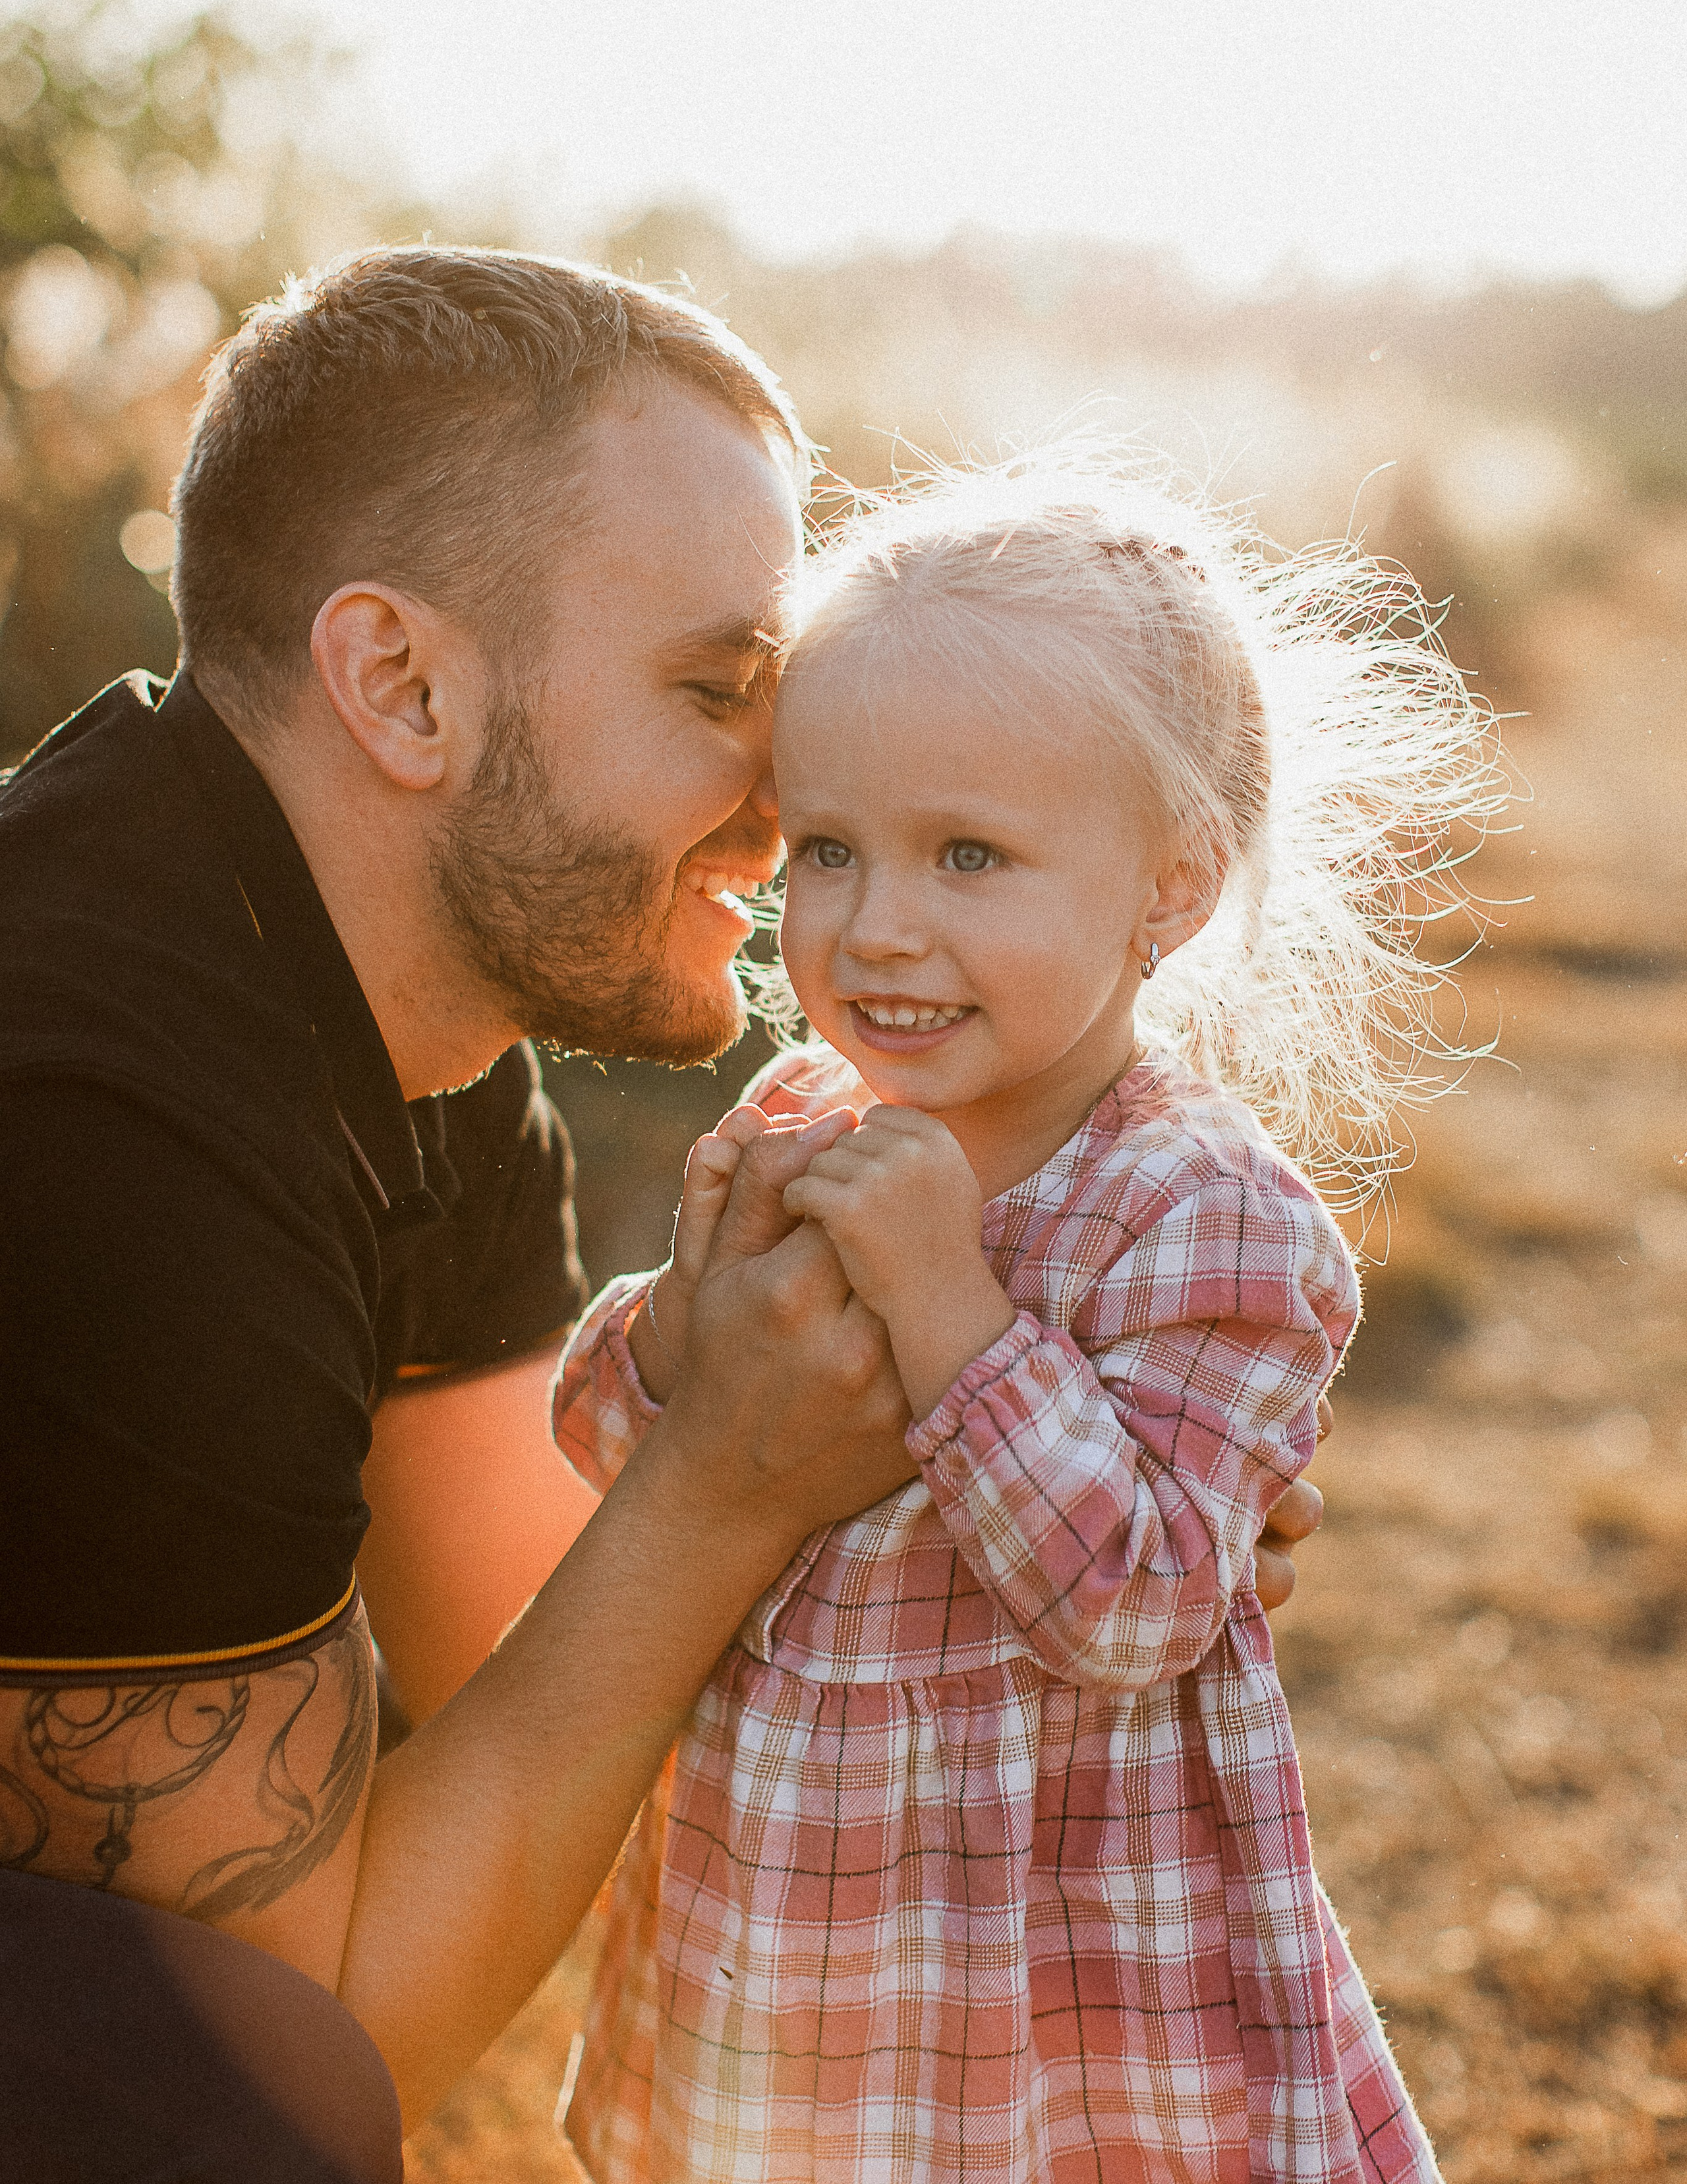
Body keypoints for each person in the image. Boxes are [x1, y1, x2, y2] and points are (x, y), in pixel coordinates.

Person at [0, 252, 1319, 2181]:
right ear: (405, 683)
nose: (790, 803)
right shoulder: (96, 1129)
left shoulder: (400, 1029)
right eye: (721, 692)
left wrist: (1061, 1489)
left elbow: (531, 1664)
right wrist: (729, 1482)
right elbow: (288, 2063)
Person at [554, 453, 1496, 2181]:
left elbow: (1139, 1600)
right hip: (789, 1914)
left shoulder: (1209, 1216)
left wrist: (948, 1302)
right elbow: (632, 1470)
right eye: (828, 847)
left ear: (1171, 888)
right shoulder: (798, 1121)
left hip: (1057, 1978)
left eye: (969, 853)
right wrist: (671, 1337)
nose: (875, 924)